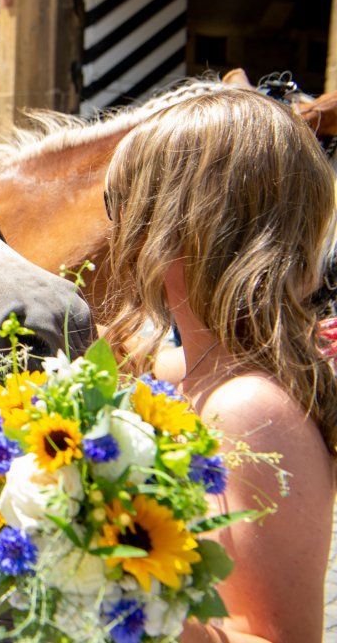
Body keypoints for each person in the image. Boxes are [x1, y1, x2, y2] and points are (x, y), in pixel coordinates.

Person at [103, 88, 337, 642]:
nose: (115, 232)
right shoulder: (189, 372)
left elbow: (278, 637)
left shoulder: (249, 409)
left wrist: (113, 585)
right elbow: (120, 363)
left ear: (181, 225)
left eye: (121, 206)